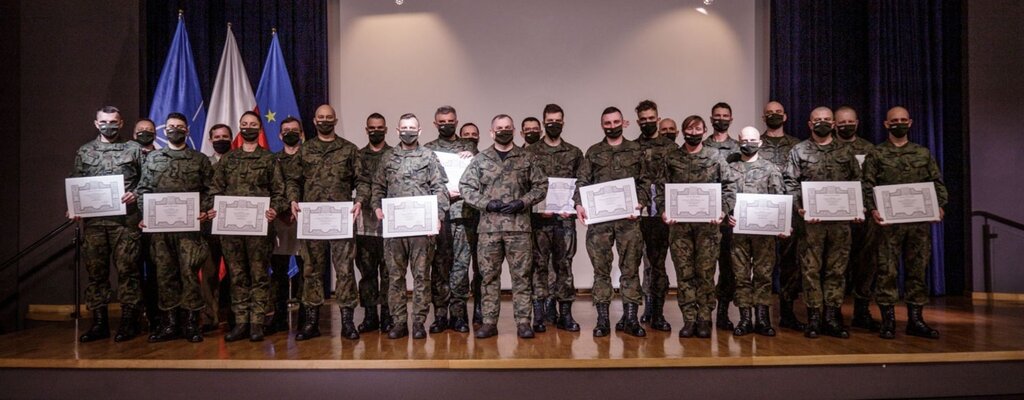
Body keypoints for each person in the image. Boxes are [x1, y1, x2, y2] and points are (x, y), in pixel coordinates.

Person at [861, 106, 947, 340]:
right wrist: (872, 209)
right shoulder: (876, 154)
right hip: (888, 227)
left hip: (918, 225)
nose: (898, 123)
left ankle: (916, 320)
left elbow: (936, 182)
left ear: (910, 123)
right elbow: (867, 185)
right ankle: (888, 321)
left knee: (917, 271)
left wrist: (940, 205)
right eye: (893, 120)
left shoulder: (922, 153)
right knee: (886, 272)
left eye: (903, 120)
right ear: (886, 125)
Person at [460, 114, 547, 338]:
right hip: (489, 229)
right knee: (488, 277)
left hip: (519, 228)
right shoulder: (481, 160)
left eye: (508, 127)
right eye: (499, 128)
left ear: (514, 130)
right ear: (492, 132)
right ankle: (489, 322)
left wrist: (523, 202)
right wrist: (487, 203)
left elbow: (541, 186)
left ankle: (523, 322)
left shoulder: (526, 158)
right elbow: (466, 188)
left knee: (521, 277)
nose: (504, 131)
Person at [286, 104, 368, 341]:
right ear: (314, 121)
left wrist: (360, 200)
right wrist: (292, 199)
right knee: (311, 270)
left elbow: (362, 180)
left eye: (328, 118)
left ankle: (347, 322)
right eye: (320, 117)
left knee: (344, 271)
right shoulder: (305, 150)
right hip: (312, 220)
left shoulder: (349, 149)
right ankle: (311, 322)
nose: (324, 121)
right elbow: (293, 179)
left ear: (335, 120)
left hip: (341, 219)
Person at [208, 111, 288, 342]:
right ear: (239, 128)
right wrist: (214, 207)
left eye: (253, 124)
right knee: (238, 275)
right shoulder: (228, 160)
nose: (249, 127)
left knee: (260, 275)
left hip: (259, 230)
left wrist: (274, 208)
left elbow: (280, 193)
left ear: (259, 128)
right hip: (231, 230)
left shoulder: (270, 159)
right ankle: (241, 322)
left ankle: (257, 324)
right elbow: (215, 189)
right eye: (245, 124)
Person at [784, 106, 862, 339]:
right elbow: (790, 182)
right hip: (811, 224)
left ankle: (831, 316)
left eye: (827, 119)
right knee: (810, 270)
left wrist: (858, 207)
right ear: (809, 124)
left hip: (840, 224)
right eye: (817, 120)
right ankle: (815, 317)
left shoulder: (846, 151)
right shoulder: (798, 150)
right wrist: (799, 206)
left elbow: (858, 181)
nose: (822, 123)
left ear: (834, 123)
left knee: (836, 270)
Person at [371, 113, 450, 339]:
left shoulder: (429, 156)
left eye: (412, 127)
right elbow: (377, 187)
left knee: (421, 277)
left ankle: (418, 322)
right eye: (404, 127)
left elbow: (440, 189)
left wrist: (438, 216)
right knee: (395, 277)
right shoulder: (388, 157)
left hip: (421, 230)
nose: (408, 131)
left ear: (419, 130)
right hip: (395, 229)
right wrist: (377, 207)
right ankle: (398, 322)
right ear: (397, 131)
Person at [70, 106, 144, 343]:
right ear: (96, 124)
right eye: (104, 122)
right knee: (96, 274)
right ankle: (99, 323)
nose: (108, 125)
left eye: (113, 121)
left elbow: (148, 181)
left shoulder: (135, 149)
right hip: (95, 225)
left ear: (121, 123)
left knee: (128, 273)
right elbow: (77, 182)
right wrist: (74, 207)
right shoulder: (85, 151)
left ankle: (128, 322)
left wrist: (136, 194)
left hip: (126, 223)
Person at [138, 112, 214, 343]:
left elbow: (211, 190)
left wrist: (204, 211)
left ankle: (191, 323)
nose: (175, 130)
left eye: (180, 127)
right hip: (161, 231)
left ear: (187, 130)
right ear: (164, 131)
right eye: (171, 127)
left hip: (190, 231)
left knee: (190, 274)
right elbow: (143, 191)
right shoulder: (153, 159)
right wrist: (146, 214)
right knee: (165, 275)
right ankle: (169, 324)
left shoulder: (199, 159)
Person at [657, 115, 736, 339]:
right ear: (683, 132)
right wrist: (664, 210)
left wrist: (723, 210)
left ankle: (704, 318)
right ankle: (689, 319)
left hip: (708, 229)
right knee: (685, 273)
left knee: (705, 273)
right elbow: (662, 188)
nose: (693, 133)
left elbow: (729, 186)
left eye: (698, 129)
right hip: (679, 228)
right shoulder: (671, 157)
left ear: (704, 131)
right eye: (689, 130)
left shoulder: (714, 156)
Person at [574, 106, 649, 338]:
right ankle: (603, 319)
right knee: (601, 271)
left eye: (616, 122)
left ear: (623, 123)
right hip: (600, 224)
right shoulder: (594, 152)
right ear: (602, 125)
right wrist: (579, 203)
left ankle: (630, 318)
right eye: (607, 123)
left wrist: (641, 203)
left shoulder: (636, 150)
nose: (612, 126)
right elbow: (583, 181)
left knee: (630, 270)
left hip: (628, 222)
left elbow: (645, 182)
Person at [525, 104, 583, 332]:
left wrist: (576, 203)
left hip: (564, 220)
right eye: (549, 121)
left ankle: (565, 314)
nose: (553, 124)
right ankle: (539, 314)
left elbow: (581, 182)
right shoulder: (530, 152)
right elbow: (525, 184)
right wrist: (537, 206)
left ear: (563, 121)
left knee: (564, 266)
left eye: (557, 120)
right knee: (538, 267)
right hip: (539, 220)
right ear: (543, 122)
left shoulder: (574, 152)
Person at [728, 126, 786, 337]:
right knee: (741, 275)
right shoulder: (729, 167)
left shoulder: (771, 169)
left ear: (760, 142)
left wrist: (781, 224)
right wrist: (727, 215)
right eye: (745, 140)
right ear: (738, 140)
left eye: (753, 140)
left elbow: (779, 199)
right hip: (738, 233)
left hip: (764, 234)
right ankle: (744, 319)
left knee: (763, 275)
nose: (749, 144)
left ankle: (762, 319)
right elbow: (723, 195)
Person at [423, 106, 476, 333]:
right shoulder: (427, 150)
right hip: (439, 217)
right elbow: (422, 183)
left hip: (463, 215)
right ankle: (440, 316)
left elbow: (479, 178)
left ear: (457, 121)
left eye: (451, 121)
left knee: (461, 267)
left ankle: (459, 315)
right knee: (439, 267)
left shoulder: (469, 148)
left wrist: (473, 158)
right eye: (442, 121)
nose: (447, 124)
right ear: (435, 124)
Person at [759, 101, 805, 331]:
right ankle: (762, 314)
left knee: (790, 264)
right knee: (763, 265)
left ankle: (787, 312)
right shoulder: (754, 143)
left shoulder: (797, 145)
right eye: (770, 113)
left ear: (785, 117)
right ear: (763, 116)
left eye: (778, 113)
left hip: (790, 211)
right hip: (762, 210)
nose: (774, 116)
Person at [835, 106, 881, 331]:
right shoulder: (827, 149)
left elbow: (874, 182)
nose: (846, 126)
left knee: (866, 264)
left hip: (866, 217)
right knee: (836, 265)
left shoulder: (869, 149)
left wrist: (870, 208)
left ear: (857, 122)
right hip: (837, 218)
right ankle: (833, 310)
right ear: (835, 124)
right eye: (841, 122)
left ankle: (862, 310)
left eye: (849, 122)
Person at [632, 100, 675, 332]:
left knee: (658, 265)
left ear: (658, 119)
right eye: (643, 119)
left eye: (651, 118)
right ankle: (642, 307)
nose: (648, 122)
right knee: (633, 265)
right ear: (638, 121)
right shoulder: (631, 147)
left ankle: (657, 312)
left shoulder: (670, 149)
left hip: (661, 215)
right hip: (636, 215)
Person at [355, 113, 394, 334]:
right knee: (367, 272)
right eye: (372, 127)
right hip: (365, 224)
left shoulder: (394, 155)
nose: (375, 130)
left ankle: (388, 315)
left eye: (379, 127)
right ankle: (370, 316)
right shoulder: (358, 155)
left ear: (386, 129)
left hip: (390, 222)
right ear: (366, 129)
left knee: (389, 272)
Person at [704, 102, 741, 331]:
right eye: (717, 116)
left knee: (727, 266)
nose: (721, 119)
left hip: (728, 216)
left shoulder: (738, 149)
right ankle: (705, 314)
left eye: (725, 115)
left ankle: (724, 313)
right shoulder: (701, 145)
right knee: (706, 267)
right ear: (710, 119)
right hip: (704, 215)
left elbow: (740, 182)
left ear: (731, 118)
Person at [267, 117, 305, 336]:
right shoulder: (273, 160)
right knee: (279, 273)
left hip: (304, 220)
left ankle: (302, 318)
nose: (290, 133)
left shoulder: (309, 157)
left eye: (294, 130)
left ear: (301, 133)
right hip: (280, 221)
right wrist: (281, 210)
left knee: (304, 272)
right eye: (286, 130)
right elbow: (270, 189)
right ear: (280, 135)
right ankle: (279, 317)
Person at [200, 124, 234, 331]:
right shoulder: (204, 163)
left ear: (231, 139)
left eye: (225, 136)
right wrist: (205, 210)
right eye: (217, 136)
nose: (221, 139)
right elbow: (200, 191)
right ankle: (209, 317)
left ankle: (233, 315)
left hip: (235, 228)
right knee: (209, 274)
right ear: (211, 140)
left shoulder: (237, 161)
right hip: (210, 227)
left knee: (235, 273)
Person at [131, 118, 160, 330]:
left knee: (157, 270)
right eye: (140, 131)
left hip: (158, 222)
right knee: (131, 270)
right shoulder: (123, 156)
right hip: (128, 222)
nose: (145, 133)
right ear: (134, 134)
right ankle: (133, 318)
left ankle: (156, 316)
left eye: (149, 130)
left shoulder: (163, 158)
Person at [459, 122, 484, 325]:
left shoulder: (485, 159)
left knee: (481, 268)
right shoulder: (452, 161)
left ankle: (479, 308)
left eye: (473, 134)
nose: (470, 137)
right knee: (459, 267)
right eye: (465, 134)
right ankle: (459, 314)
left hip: (481, 219)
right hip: (457, 218)